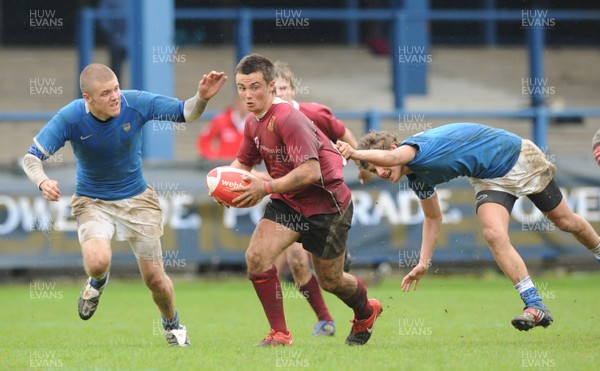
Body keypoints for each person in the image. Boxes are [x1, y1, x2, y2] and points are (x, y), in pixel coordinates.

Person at [22, 63, 227, 346]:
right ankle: (97, 282)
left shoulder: (136, 102)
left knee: (155, 280)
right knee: (97, 262)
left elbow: (186, 112)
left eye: (116, 88)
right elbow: (31, 157)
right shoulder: (71, 117)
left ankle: (173, 325)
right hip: (92, 200)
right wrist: (42, 181)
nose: (116, 96)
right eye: (106, 93)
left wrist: (202, 96)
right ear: (88, 99)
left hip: (138, 200)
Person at [337, 123, 600, 332]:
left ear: (391, 148)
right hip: (488, 178)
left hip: (516, 157)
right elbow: (433, 217)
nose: (381, 172)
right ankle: (535, 305)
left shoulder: (413, 149)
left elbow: (393, 156)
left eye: (380, 164)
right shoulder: (417, 180)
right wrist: (423, 262)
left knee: (565, 221)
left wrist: (354, 153)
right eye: (373, 169)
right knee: (493, 234)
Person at [217, 53, 382, 347]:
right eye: (242, 88)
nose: (247, 95)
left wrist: (265, 189)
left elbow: (310, 170)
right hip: (289, 201)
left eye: (254, 87)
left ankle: (366, 311)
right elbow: (242, 163)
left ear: (270, 86)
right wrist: (220, 184)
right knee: (256, 257)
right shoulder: (253, 123)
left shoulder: (289, 118)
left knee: (331, 280)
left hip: (327, 205)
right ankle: (280, 334)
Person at [265, 61, 369, 337]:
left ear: (294, 90)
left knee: (330, 278)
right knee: (297, 262)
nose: (280, 95)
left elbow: (342, 132)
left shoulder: (313, 113)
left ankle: (357, 297)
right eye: (275, 90)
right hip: (289, 202)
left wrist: (362, 163)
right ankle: (325, 319)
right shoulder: (265, 121)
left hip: (323, 201)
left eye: (285, 88)